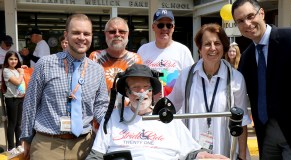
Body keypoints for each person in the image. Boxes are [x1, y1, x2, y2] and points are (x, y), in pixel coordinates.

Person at [232, 0, 291, 159]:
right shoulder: (246, 58)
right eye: (240, 21)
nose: (247, 23)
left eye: (250, 16)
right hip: (266, 139)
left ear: (261, 13)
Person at [86, 64, 229, 160]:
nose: (142, 93)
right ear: (127, 92)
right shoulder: (113, 118)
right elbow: (96, 155)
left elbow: (191, 152)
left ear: (152, 91)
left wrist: (202, 156)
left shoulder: (167, 118)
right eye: (136, 87)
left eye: (146, 86)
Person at [20, 13, 109, 160]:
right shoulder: (45, 64)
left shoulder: (97, 70)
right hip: (47, 146)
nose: (82, 37)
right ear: (66, 35)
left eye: (86, 33)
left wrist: (119, 122)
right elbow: (30, 103)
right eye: (76, 32)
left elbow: (100, 107)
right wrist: (26, 138)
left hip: (84, 147)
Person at [167, 23, 251, 159]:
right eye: (207, 44)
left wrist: (241, 156)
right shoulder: (186, 75)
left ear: (224, 47)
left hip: (224, 152)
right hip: (194, 153)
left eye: (217, 43)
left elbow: (243, 121)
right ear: (200, 48)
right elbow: (171, 108)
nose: (212, 48)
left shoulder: (236, 78)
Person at [138, 9, 194, 97]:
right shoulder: (143, 50)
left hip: (176, 107)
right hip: (149, 106)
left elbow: (191, 80)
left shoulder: (183, 51)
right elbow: (137, 78)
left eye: (169, 25)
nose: (165, 28)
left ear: (173, 28)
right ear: (153, 27)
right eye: (160, 25)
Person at [89, 17, 142, 91]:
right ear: (105, 34)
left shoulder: (135, 59)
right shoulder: (95, 57)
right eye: (112, 32)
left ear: (128, 34)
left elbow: (139, 88)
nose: (117, 34)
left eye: (122, 31)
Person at [2, 51, 25, 151]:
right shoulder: (6, 71)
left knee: (19, 123)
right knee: (12, 124)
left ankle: (19, 144)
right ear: (7, 60)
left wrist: (21, 70)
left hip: (20, 98)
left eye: (15, 59)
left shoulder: (17, 70)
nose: (13, 61)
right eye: (11, 59)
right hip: (11, 99)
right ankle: (11, 147)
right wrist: (22, 73)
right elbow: (17, 82)